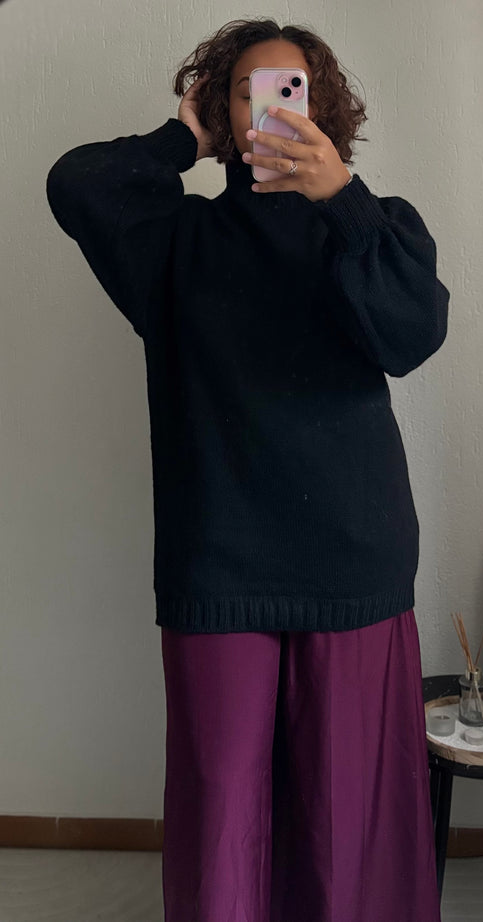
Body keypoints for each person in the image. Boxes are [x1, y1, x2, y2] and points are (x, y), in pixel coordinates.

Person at [46, 16, 449, 922]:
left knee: (346, 818)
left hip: (352, 558)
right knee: (221, 813)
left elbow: (413, 334)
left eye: (290, 89)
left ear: (321, 105)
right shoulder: (174, 243)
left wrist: (341, 196)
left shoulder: (376, 227)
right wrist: (177, 139)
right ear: (221, 112)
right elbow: (76, 183)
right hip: (219, 560)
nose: (269, 106)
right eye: (246, 91)